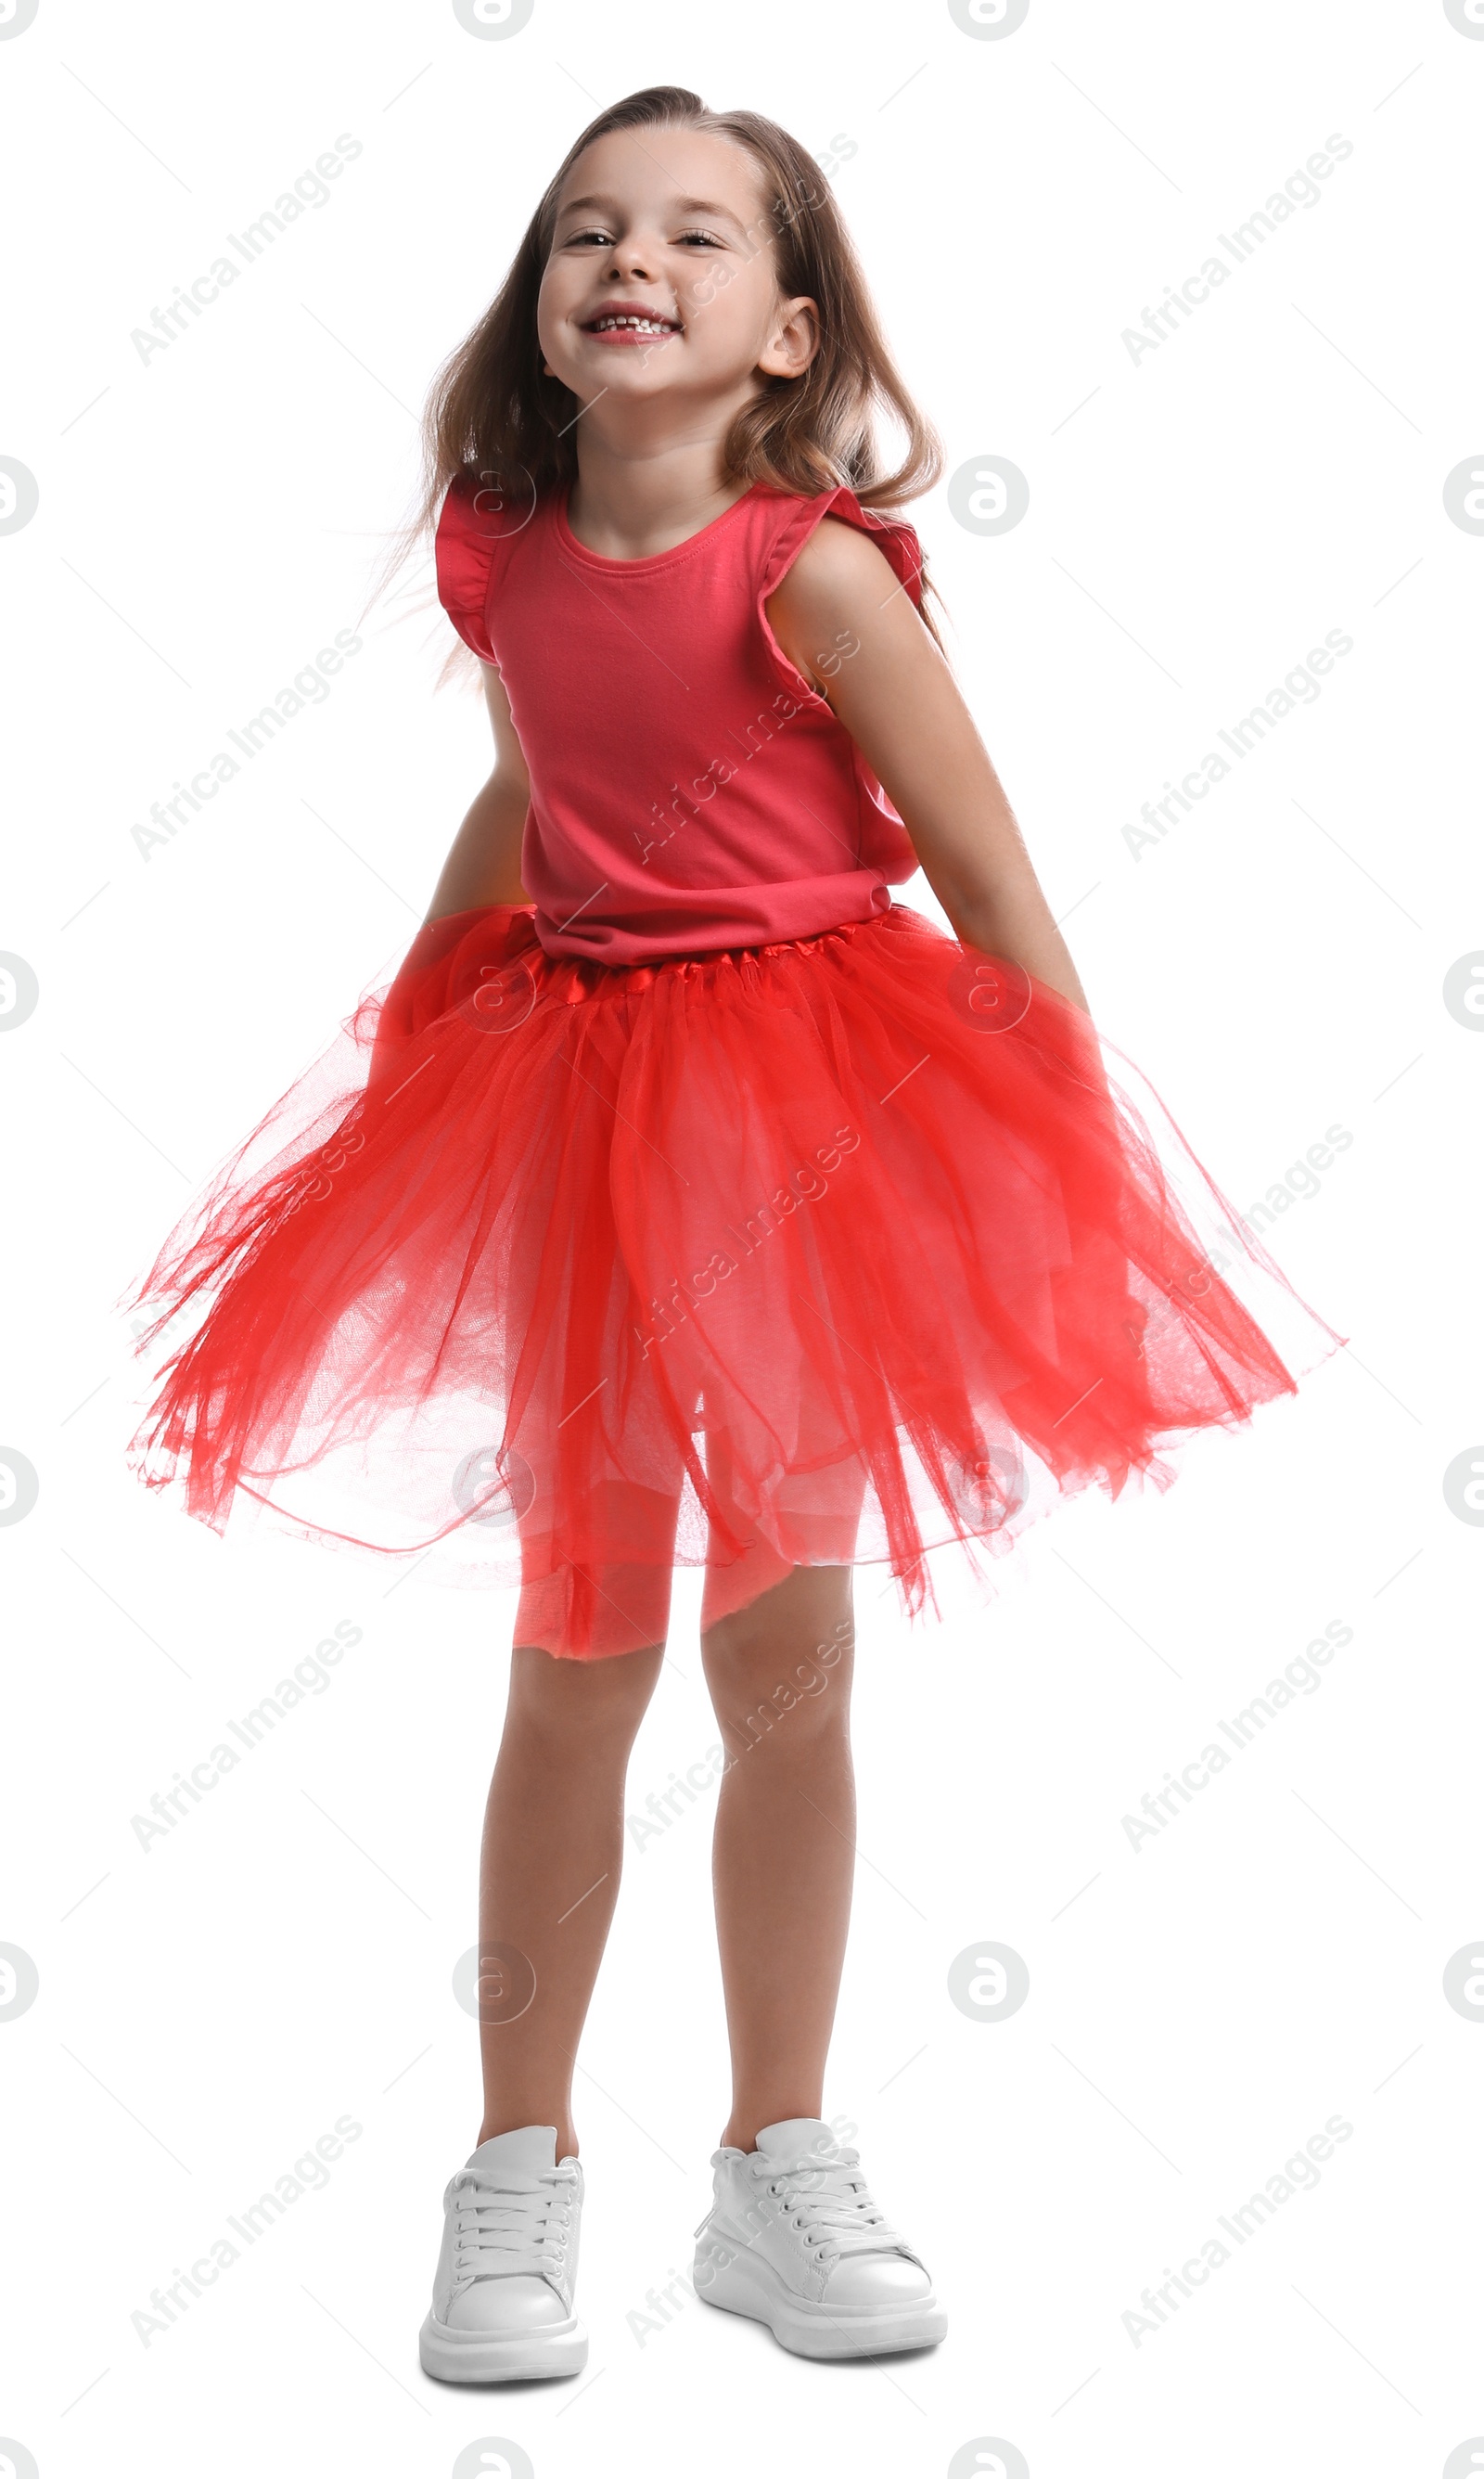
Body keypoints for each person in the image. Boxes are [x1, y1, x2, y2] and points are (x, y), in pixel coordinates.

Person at [128, 85, 1341, 2381]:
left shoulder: (813, 568)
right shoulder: (506, 549)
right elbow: (528, 784)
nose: (630, 258)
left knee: (778, 1664)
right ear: (544, 310)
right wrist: (419, 1017)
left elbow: (986, 878)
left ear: (786, 331)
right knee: (570, 1661)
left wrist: (1052, 1176)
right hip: (577, 1100)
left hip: (801, 1131)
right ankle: (512, 2175)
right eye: (589, 227)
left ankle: (776, 2162)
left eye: (695, 235)